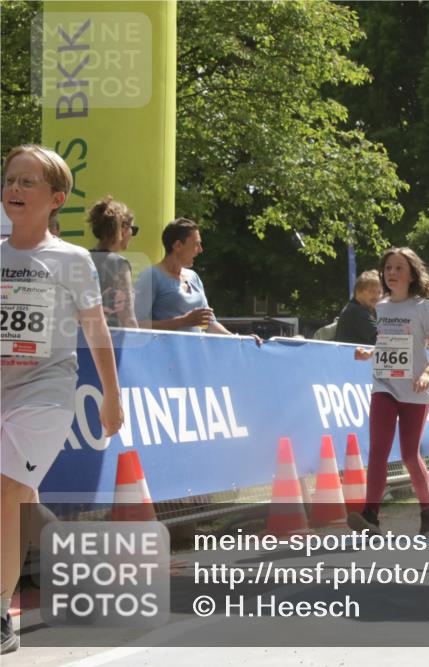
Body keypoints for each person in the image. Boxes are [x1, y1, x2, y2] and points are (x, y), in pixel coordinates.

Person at [1, 145, 124, 654]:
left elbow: (96, 331)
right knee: (23, 498)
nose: (14, 188)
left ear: (56, 199)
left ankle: (1, 617)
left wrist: (111, 397)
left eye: (28, 182)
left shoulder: (72, 261)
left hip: (46, 391)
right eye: (10, 179)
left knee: (7, 490)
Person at [348, 248, 429, 537]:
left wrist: (426, 373)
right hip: (385, 385)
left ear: (412, 274)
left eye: (398, 268)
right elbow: (388, 342)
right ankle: (371, 516)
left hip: (414, 389)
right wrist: (371, 353)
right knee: (378, 450)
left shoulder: (423, 307)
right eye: (388, 268)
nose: (391, 273)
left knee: (410, 456)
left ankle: (428, 511)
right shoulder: (382, 306)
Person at [134, 218, 243, 337]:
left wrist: (240, 339)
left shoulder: (193, 277)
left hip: (194, 349)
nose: (200, 250)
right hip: (165, 349)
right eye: (196, 244)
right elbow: (136, 325)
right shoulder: (151, 276)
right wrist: (183, 321)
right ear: (178, 246)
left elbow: (210, 324)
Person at [87, 196, 139, 328]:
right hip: (110, 336)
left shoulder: (82, 258)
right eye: (133, 229)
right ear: (124, 229)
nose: (132, 234)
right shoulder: (119, 264)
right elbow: (127, 318)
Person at [332, 270, 381, 345]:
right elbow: (383, 340)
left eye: (379, 292)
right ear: (358, 292)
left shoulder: (352, 308)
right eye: (372, 291)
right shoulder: (357, 312)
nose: (376, 296)